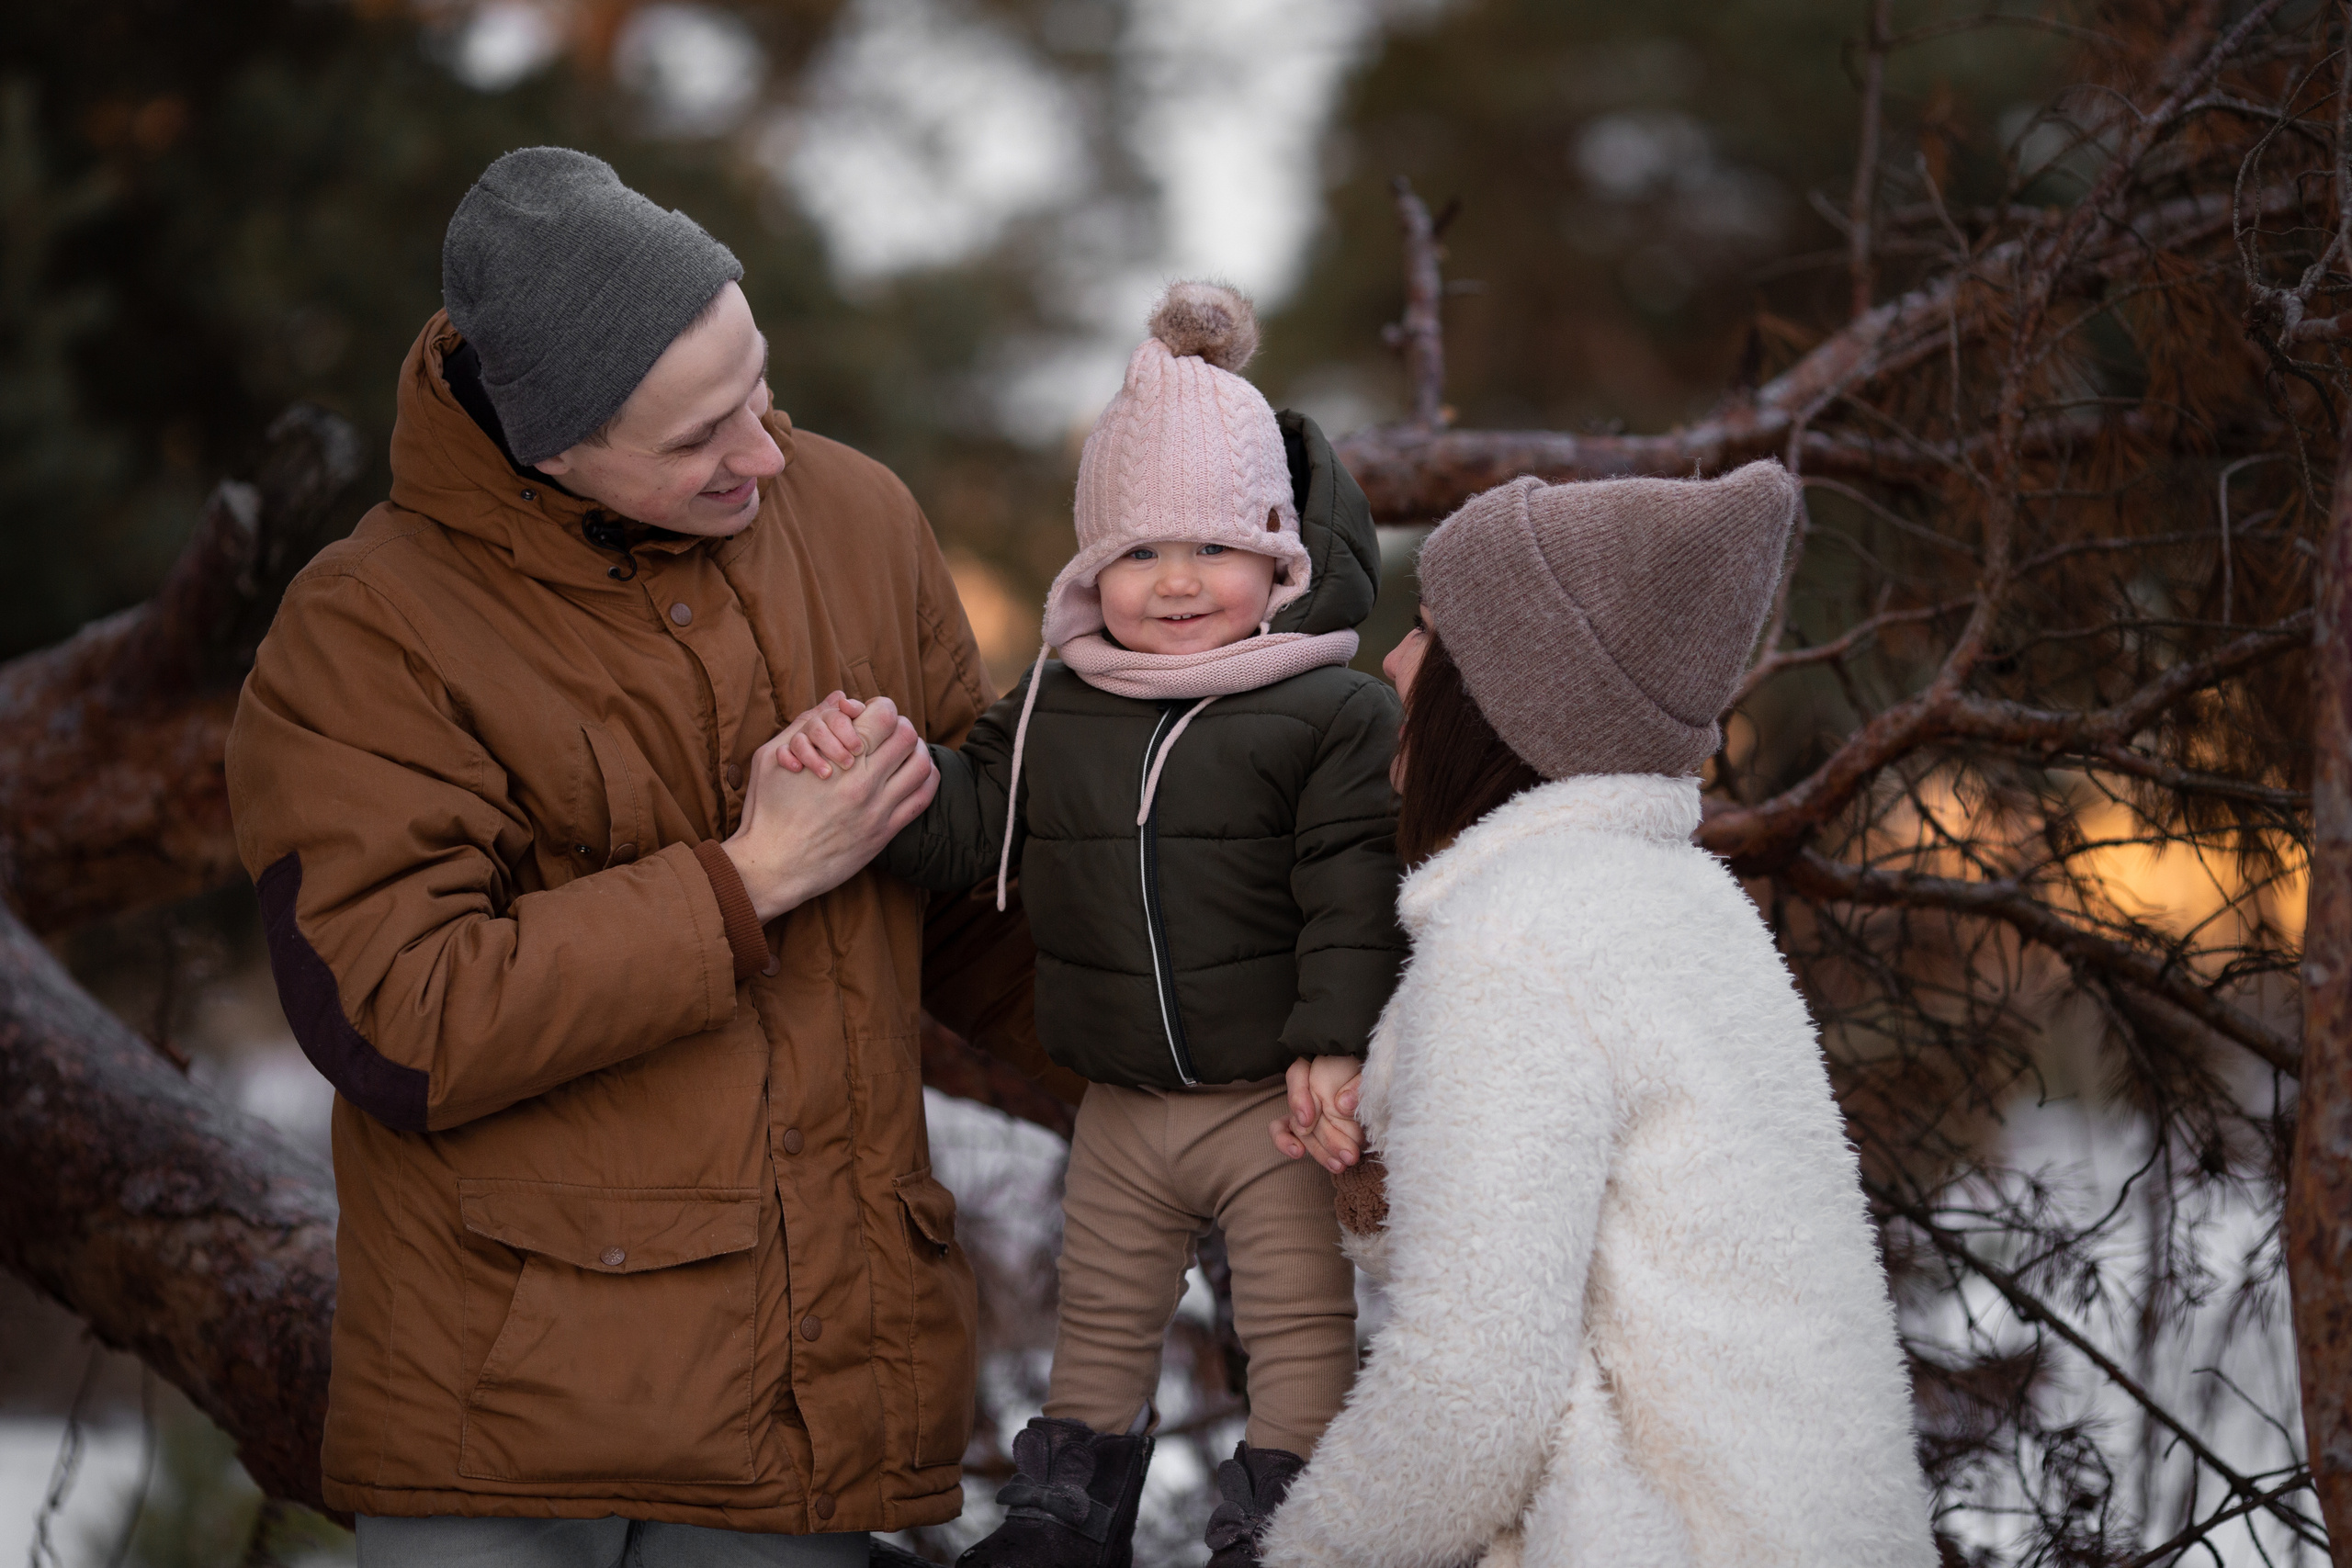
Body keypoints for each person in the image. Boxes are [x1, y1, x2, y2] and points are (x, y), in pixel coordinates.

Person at [225, 146, 1058, 1566]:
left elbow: (977, 915)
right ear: (546, 448)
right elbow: (399, 1017)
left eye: (759, 386)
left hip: (803, 1412)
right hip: (501, 1440)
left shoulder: (862, 526)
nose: (766, 453)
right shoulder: (367, 626)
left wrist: (1233, 1051)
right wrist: (747, 879)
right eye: (697, 440)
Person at [784, 283, 1404, 1568]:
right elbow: (968, 831)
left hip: (1268, 1101)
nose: (1175, 583)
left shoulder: (1327, 710)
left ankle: (1289, 1522)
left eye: (1210, 548)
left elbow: (1354, 888)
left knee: (1295, 1323)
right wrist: (878, 767)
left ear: (1278, 555)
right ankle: (1066, 1515)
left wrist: (1335, 1044)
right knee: (1103, 1318)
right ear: (1090, 570)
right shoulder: (1062, 702)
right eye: (1136, 554)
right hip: (1118, 1097)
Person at [1258, 462, 1939, 1568]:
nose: (1392, 658)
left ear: (1506, 695)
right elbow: (1609, 1269)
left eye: (1427, 631)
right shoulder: (1681, 907)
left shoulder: (1515, 941)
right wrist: (1381, 1182)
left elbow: (1473, 1399)